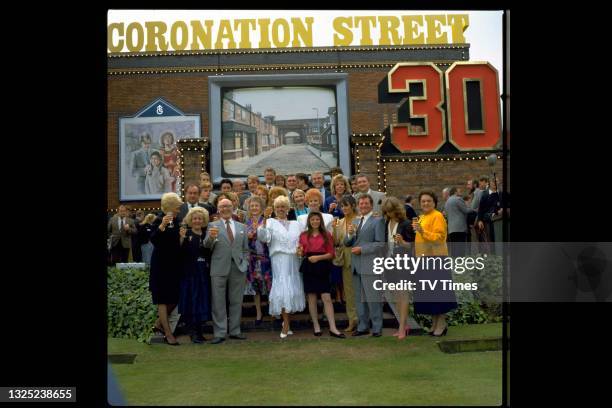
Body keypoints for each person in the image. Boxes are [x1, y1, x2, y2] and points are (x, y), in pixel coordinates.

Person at [257, 196, 306, 338]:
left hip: (294, 259)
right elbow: (263, 237)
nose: (280, 209)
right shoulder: (270, 222)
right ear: (274, 209)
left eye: (283, 206)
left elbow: (301, 241)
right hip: (279, 259)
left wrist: (300, 250)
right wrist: (264, 219)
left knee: (292, 288)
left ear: (288, 208)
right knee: (283, 288)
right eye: (278, 207)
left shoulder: (296, 223)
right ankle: (285, 324)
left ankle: (288, 323)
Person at [203, 198, 250, 344]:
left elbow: (245, 249)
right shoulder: (212, 225)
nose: (225, 209)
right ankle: (220, 333)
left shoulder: (242, 226)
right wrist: (211, 237)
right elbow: (206, 246)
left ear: (233, 207)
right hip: (218, 268)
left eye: (228, 206)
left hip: (238, 267)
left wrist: (245, 262)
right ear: (218, 209)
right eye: (222, 206)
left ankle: (235, 331)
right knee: (218, 302)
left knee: (236, 301)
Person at [412, 191, 457, 337]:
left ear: (434, 202)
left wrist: (422, 231)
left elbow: (438, 238)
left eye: (428, 201)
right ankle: (434, 323)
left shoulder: (437, 216)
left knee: (438, 294)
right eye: (423, 201)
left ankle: (442, 323)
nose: (425, 203)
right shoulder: (422, 217)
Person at [298, 212, 345, 338]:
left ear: (321, 221)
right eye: (312, 219)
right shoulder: (303, 235)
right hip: (308, 267)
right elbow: (301, 252)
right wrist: (300, 252)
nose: (315, 221)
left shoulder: (327, 235)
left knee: (327, 297)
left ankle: (333, 327)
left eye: (317, 219)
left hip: (323, 266)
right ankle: (316, 326)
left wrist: (318, 258)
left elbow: (331, 254)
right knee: (312, 297)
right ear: (309, 221)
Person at [344, 194, 385, 337]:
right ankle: (362, 327)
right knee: (359, 299)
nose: (363, 206)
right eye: (361, 204)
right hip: (355, 265)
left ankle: (377, 328)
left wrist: (363, 249)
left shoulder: (378, 221)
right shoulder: (355, 220)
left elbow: (380, 243)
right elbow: (347, 243)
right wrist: (349, 235)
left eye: (366, 203)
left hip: (370, 264)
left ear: (371, 205)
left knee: (373, 298)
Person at [149, 193, 183, 345]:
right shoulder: (158, 219)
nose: (179, 209)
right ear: (170, 206)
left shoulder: (177, 221)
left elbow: (177, 245)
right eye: (177, 206)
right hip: (160, 265)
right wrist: (162, 225)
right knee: (162, 299)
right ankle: (168, 334)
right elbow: (154, 240)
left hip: (174, 264)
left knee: (175, 298)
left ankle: (158, 324)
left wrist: (182, 238)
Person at [380, 196, 415, 340]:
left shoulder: (406, 224)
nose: (389, 214)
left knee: (403, 294)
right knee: (395, 296)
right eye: (387, 212)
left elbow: (412, 246)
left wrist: (402, 242)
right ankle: (404, 324)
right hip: (389, 263)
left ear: (397, 209)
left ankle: (401, 327)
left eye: (391, 211)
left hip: (403, 263)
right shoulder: (386, 223)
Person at [178, 207, 212, 344]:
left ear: (203, 220)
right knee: (192, 301)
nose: (197, 221)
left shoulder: (207, 234)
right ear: (190, 220)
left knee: (201, 302)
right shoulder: (186, 234)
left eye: (199, 218)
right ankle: (193, 333)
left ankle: (199, 331)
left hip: (203, 273)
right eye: (194, 218)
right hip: (190, 273)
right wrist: (181, 239)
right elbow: (180, 253)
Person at [331, 196, 359, 332]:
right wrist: (334, 229)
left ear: (353, 205)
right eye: (342, 206)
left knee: (362, 291)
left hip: (360, 258)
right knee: (349, 292)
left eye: (347, 205)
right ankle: (352, 320)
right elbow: (336, 242)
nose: (344, 208)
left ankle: (364, 319)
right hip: (346, 261)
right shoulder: (339, 222)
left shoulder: (360, 219)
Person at [243, 196, 272, 325]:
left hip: (266, 259)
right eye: (252, 206)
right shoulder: (245, 224)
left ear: (261, 208)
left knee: (269, 286)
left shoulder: (267, 221)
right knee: (256, 288)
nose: (254, 208)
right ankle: (259, 313)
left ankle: (273, 311)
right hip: (253, 261)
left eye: (256, 205)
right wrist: (247, 238)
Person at [445, 186, 476, 257]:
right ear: (455, 192)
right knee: (460, 250)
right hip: (460, 228)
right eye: (459, 191)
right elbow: (465, 210)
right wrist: (474, 209)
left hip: (451, 229)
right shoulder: (458, 199)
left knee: (454, 250)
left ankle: (455, 265)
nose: (461, 192)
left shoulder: (447, 202)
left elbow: (447, 215)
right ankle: (460, 265)